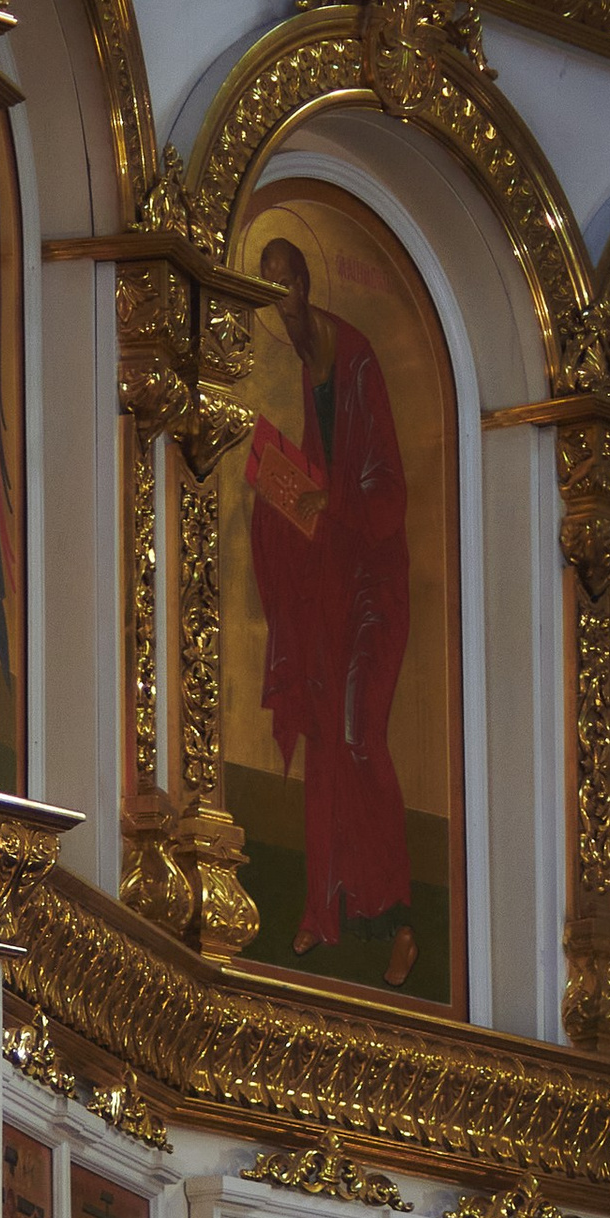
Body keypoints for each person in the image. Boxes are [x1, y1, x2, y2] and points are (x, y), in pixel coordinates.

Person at [241, 235, 416, 985]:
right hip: (332, 582)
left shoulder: (358, 359)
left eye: (287, 286)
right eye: (269, 291)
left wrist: (324, 498)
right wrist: (283, 499)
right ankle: (322, 909)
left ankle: (398, 917)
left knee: (356, 731)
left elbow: (385, 495)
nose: (282, 304)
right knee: (322, 731)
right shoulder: (307, 367)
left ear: (308, 283)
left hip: (374, 586)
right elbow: (320, 481)